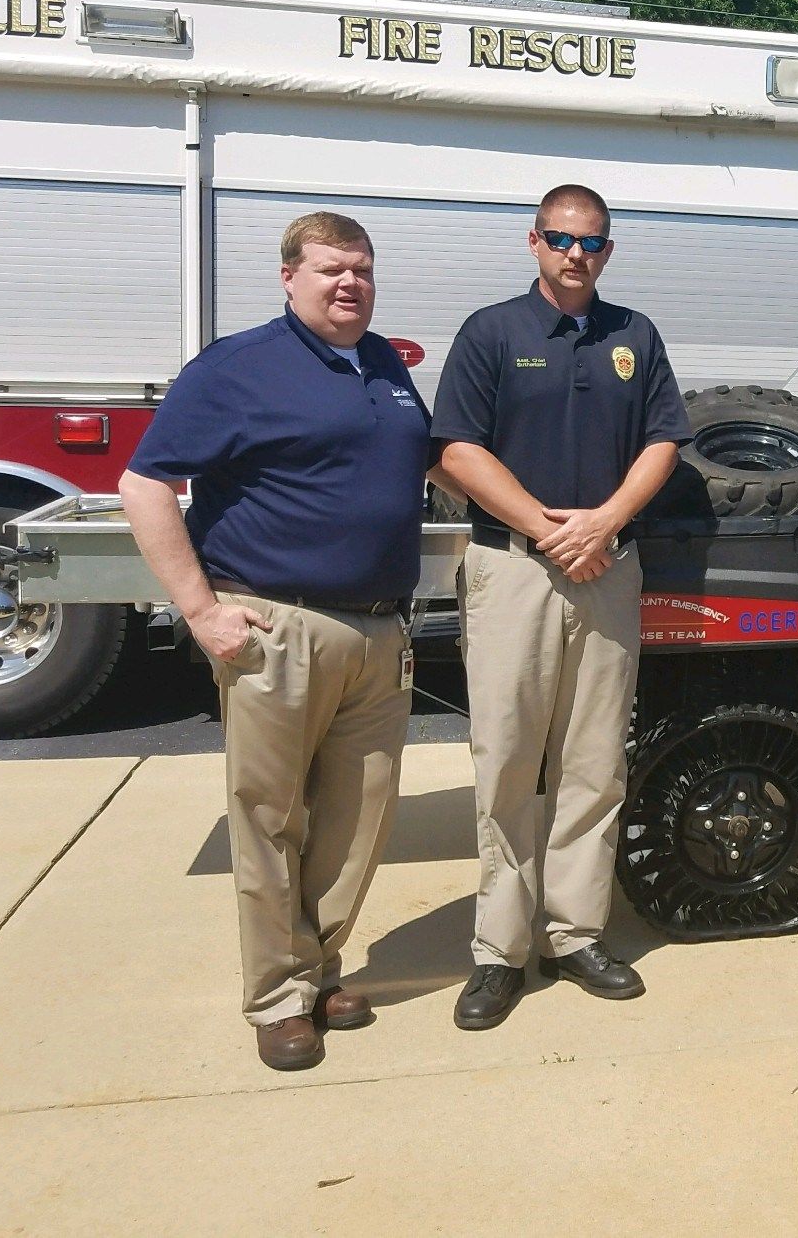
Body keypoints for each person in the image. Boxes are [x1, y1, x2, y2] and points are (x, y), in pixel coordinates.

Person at [120, 212, 434, 1071]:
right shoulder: (237, 366)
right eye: (332, 270)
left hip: (379, 630)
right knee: (269, 821)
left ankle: (320, 966)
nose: (350, 285)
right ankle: (276, 999)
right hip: (276, 628)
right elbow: (145, 483)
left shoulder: (385, 367)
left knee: (358, 821)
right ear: (289, 277)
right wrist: (199, 611)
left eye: (363, 270)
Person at [432, 184, 689, 1028]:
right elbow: (457, 450)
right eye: (560, 238)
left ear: (608, 250)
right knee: (506, 759)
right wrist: (545, 529)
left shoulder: (634, 335)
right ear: (533, 241)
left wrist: (607, 521)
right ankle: (498, 952)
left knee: (592, 764)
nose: (576, 254)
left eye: (593, 242)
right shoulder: (491, 332)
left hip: (608, 568)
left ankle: (575, 934)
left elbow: (662, 441)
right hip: (515, 572)